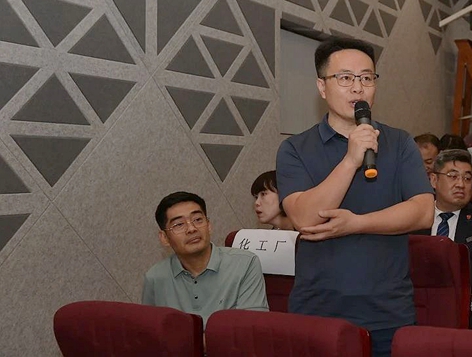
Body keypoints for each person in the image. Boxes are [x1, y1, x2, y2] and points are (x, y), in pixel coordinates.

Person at [275, 37, 434, 357]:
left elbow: (423, 212)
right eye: (345, 78)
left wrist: (356, 223)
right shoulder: (294, 149)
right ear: (322, 87)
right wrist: (350, 160)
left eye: (367, 78)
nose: (358, 88)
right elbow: (305, 218)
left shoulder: (400, 142)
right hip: (317, 312)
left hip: (387, 313)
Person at [142, 191, 269, 326]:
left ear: (209, 225)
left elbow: (252, 327)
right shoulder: (154, 278)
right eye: (179, 224)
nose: (191, 229)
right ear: (164, 238)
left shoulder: (245, 263)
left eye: (198, 220)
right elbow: (151, 330)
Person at [416, 149, 472, 325]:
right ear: (433, 180)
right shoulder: (415, 215)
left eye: (467, 178)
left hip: (469, 308)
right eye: (452, 176)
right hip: (418, 305)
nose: (461, 184)